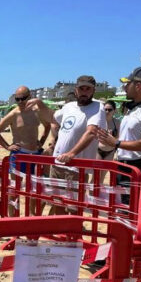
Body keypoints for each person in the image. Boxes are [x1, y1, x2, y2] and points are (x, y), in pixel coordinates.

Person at [96, 67, 141, 203]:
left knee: (129, 213)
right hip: (124, 166)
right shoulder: (133, 109)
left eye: (128, 84)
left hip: (137, 167)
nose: (125, 87)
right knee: (119, 212)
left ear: (138, 86)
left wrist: (116, 143)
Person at [49, 76, 107, 215]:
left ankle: (71, 235)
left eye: (88, 89)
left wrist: (71, 153)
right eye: (81, 88)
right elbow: (53, 120)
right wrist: (53, 141)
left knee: (73, 207)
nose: (84, 92)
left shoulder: (97, 107)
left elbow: (91, 132)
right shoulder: (69, 106)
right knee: (57, 203)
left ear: (93, 91)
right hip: (57, 163)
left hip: (75, 167)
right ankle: (61, 235)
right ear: (76, 90)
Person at [0, 85, 53, 215]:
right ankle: (12, 218)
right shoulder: (14, 114)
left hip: (35, 154)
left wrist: (41, 141)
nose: (20, 102)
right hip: (19, 155)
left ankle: (31, 215)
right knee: (14, 189)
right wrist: (7, 146)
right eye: (17, 99)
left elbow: (48, 125)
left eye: (23, 98)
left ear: (29, 97)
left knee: (34, 189)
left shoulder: (36, 111)